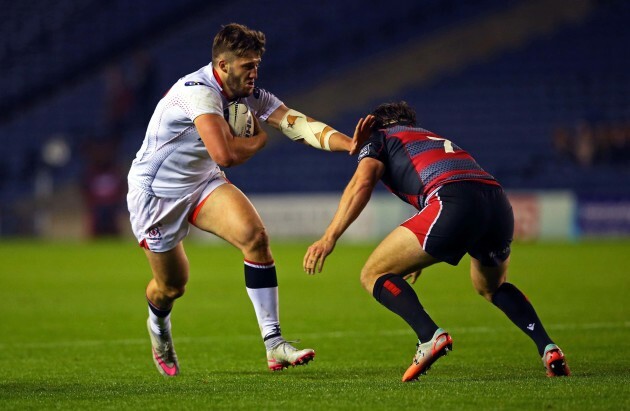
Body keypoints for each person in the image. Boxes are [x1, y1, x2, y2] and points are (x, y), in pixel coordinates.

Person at [127, 23, 359, 377]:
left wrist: (352, 146)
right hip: (157, 193)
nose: (254, 73)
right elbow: (224, 155)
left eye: (256, 65)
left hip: (202, 183)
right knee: (173, 286)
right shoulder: (199, 92)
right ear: (222, 66)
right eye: (247, 66)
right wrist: (259, 140)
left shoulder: (247, 94)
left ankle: (274, 345)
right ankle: (158, 327)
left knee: (256, 237)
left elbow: (297, 123)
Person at [303, 101, 570, 381]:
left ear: (378, 124)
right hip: (497, 202)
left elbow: (362, 182)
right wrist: (417, 252)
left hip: (452, 201)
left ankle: (429, 336)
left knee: (373, 273)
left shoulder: (380, 136)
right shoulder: (429, 137)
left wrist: (329, 236)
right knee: (492, 286)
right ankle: (548, 347)